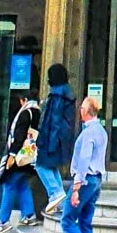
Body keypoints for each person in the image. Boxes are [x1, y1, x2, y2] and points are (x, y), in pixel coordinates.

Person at [60, 95, 107, 233]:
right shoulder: (101, 131)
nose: (80, 111)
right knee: (85, 222)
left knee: (67, 221)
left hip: (86, 180)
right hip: (97, 180)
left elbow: (84, 160)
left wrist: (76, 188)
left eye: (81, 108)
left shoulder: (88, 133)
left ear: (86, 111)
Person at [0, 93, 40, 233]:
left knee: (8, 185)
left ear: (24, 100)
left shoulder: (25, 113)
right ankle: (29, 215)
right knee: (22, 185)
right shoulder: (38, 113)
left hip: (19, 156)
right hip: (29, 156)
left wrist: (12, 155)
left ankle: (3, 221)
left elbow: (19, 135)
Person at [34, 63, 76, 216]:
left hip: (52, 138)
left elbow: (54, 121)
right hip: (60, 138)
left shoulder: (57, 94)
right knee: (51, 167)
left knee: (40, 165)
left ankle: (56, 194)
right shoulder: (66, 93)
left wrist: (49, 143)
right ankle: (60, 201)